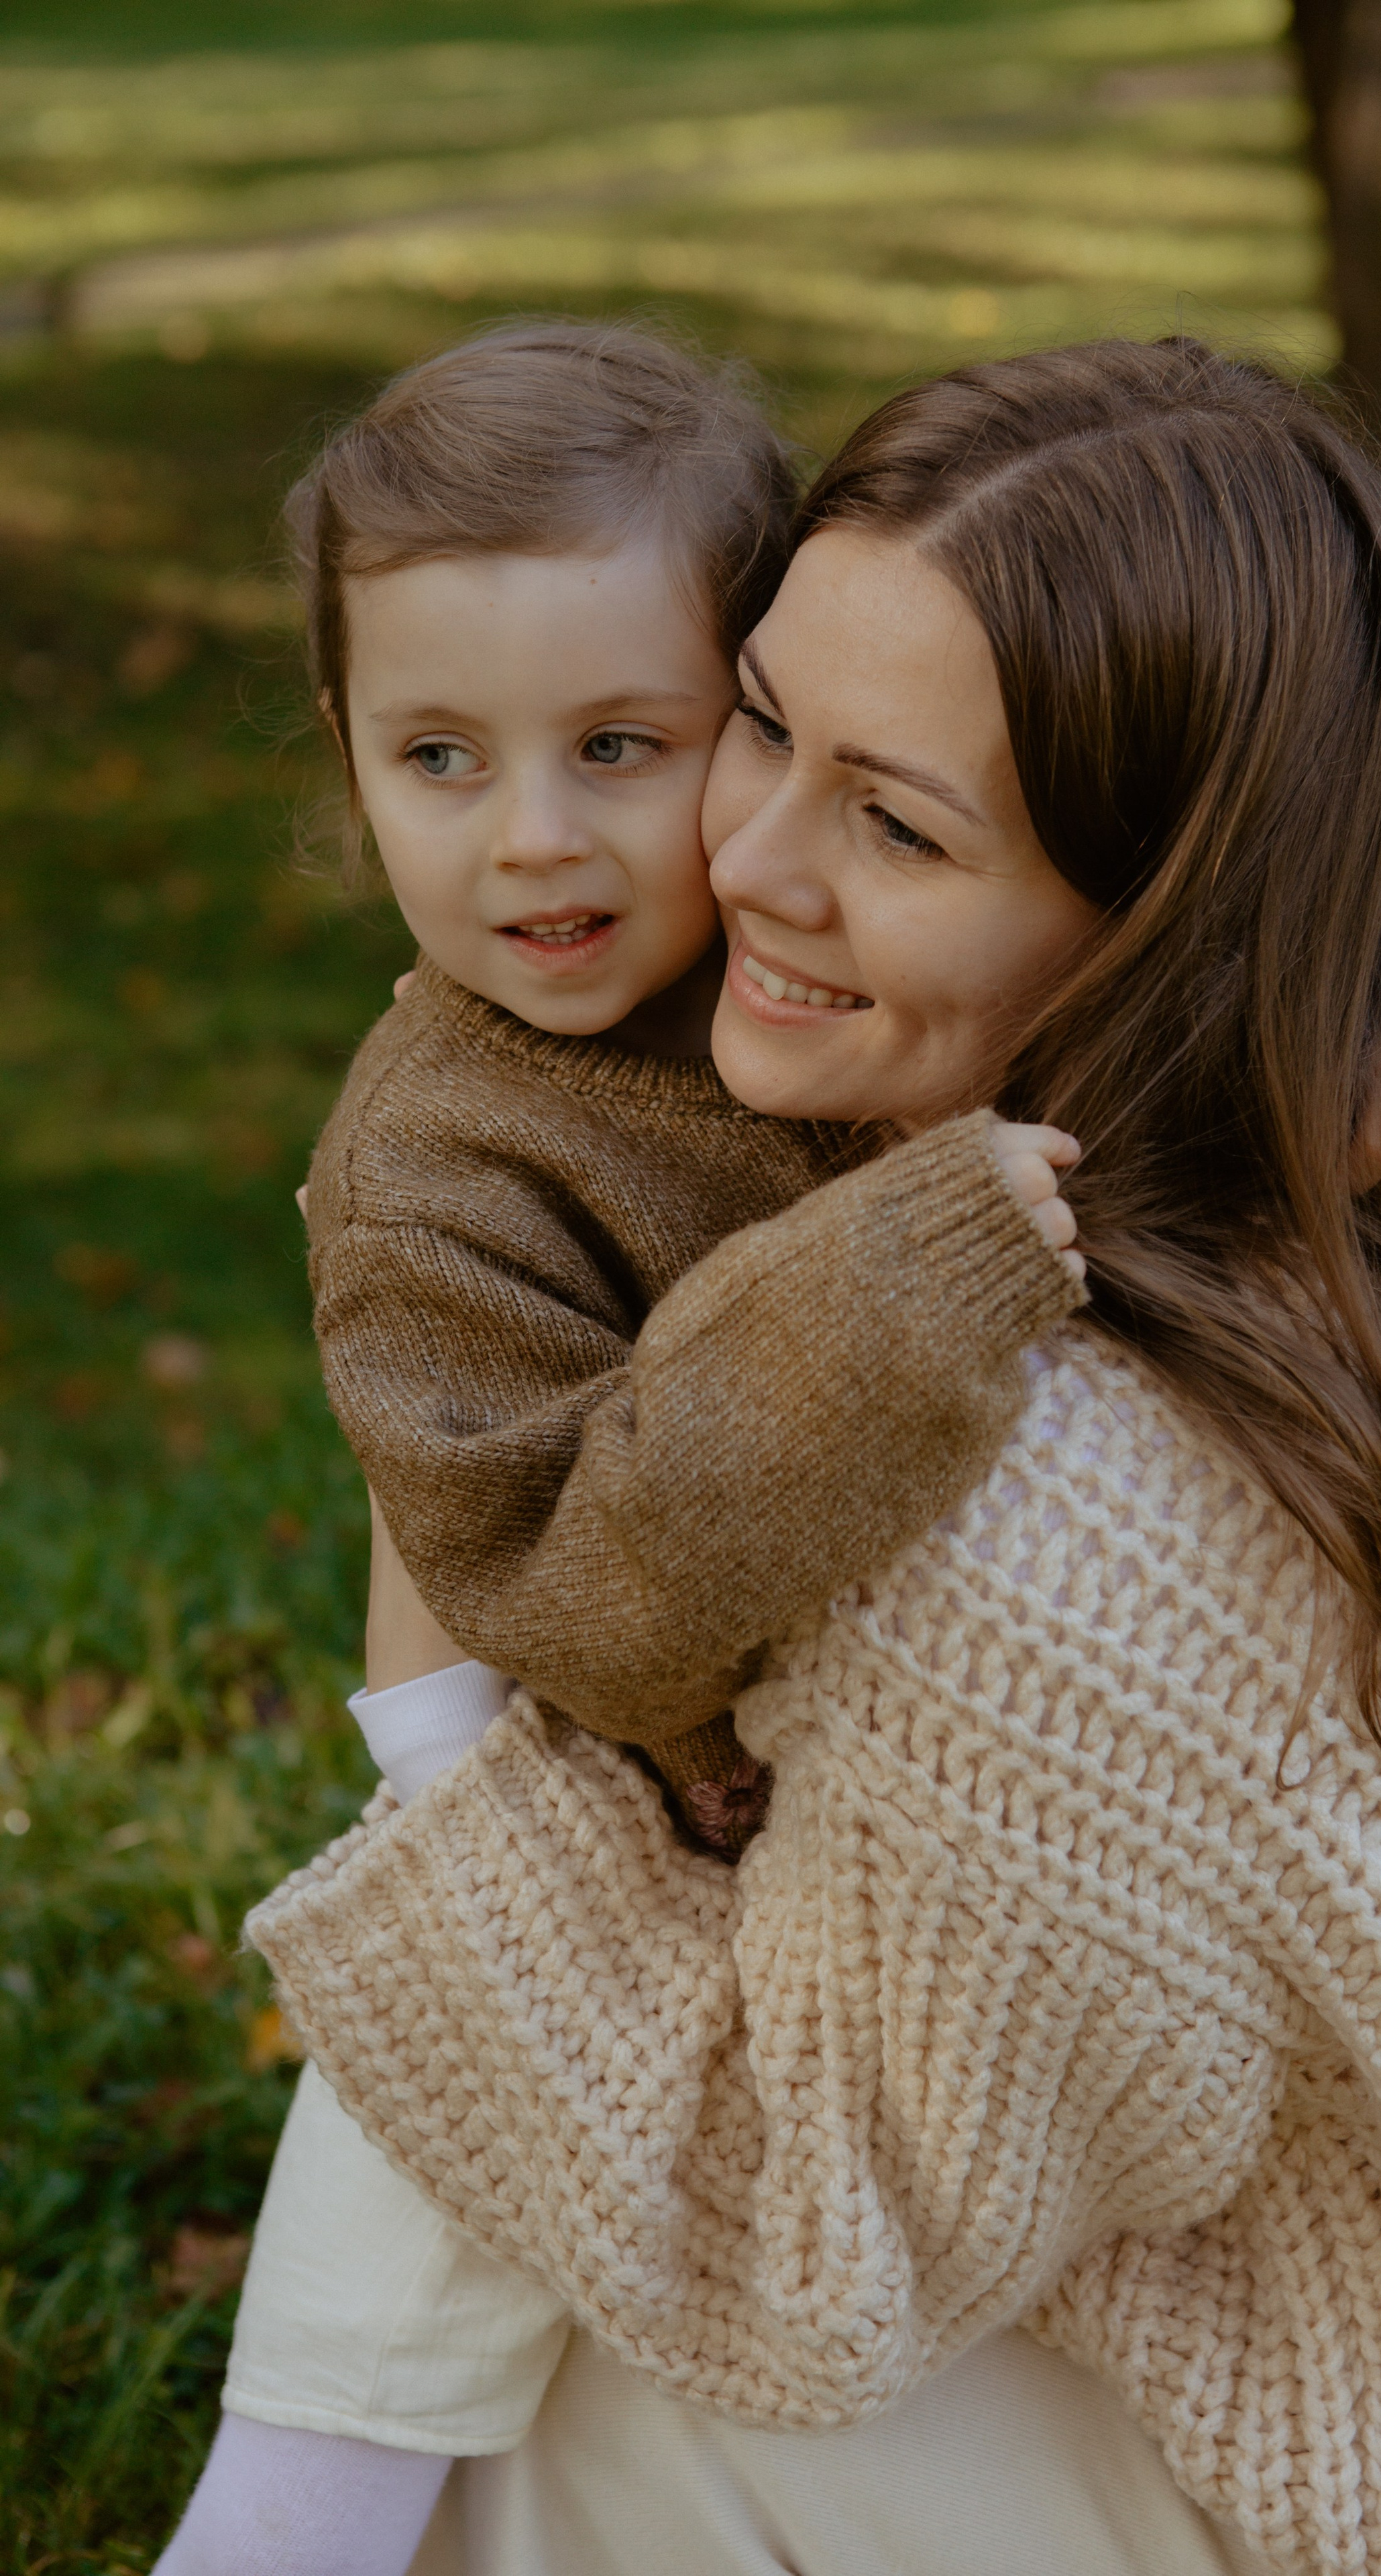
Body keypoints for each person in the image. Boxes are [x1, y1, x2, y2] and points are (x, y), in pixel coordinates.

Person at [262, 335, 1381, 2572]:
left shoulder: (1030, 1508)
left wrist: (443, 1741)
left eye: (900, 820)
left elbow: (792, 2267)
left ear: (1154, 915)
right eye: (759, 716)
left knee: (553, 2296)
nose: (735, 854)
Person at [153, 319, 1091, 2575]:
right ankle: (289, 2522)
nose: (535, 841)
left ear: (754, 727)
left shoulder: (807, 964)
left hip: (861, 1765)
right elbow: (564, 1581)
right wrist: (901, 1292)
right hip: (547, 1743)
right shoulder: (439, 1163)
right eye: (441, 758)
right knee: (453, 2103)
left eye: (623, 745)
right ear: (349, 759)